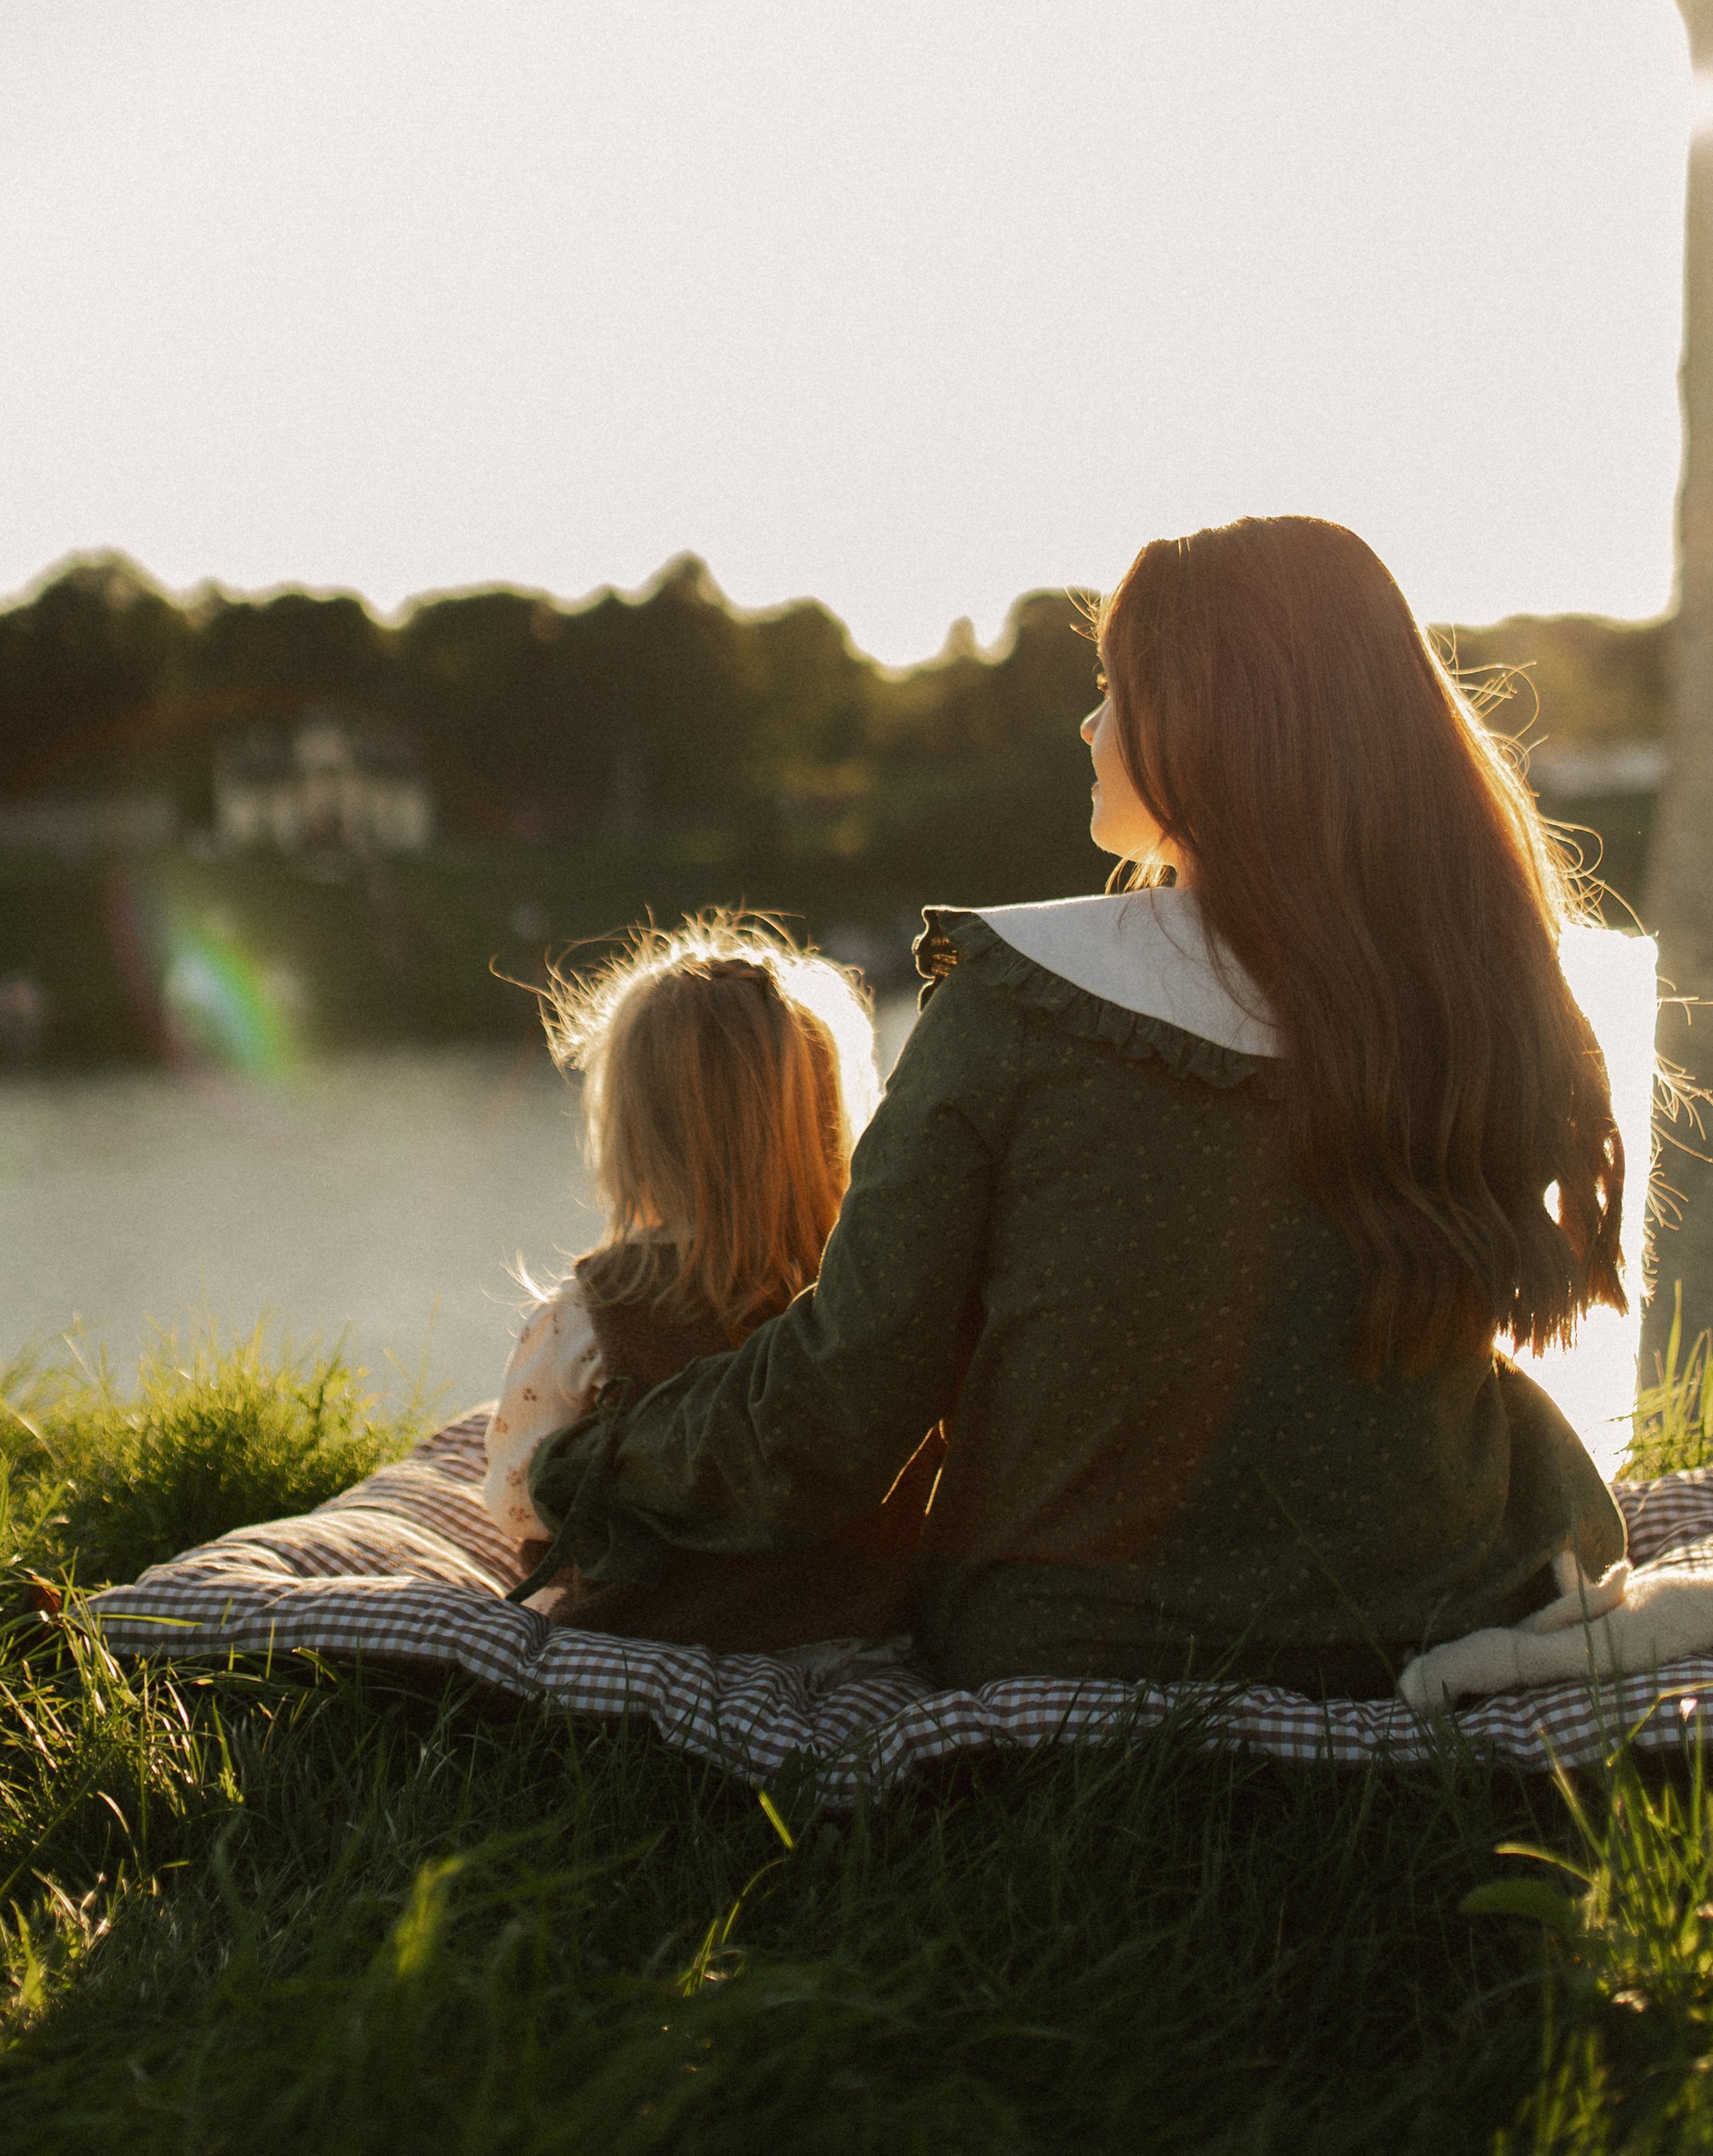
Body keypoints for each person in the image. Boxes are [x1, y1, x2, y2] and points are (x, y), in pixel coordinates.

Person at [524, 519, 1629, 1696]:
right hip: (1427, 1612)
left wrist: (595, 1467)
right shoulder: (1469, 990)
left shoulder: (1017, 998)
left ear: (1211, 720)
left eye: (1116, 689)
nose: (1090, 725)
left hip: (1068, 1647)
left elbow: (839, 1409)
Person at [485, 914, 940, 1647]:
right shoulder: (876, 1296)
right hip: (854, 1637)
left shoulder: (585, 1319)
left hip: (642, 1638)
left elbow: (519, 1504)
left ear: (632, 1131)